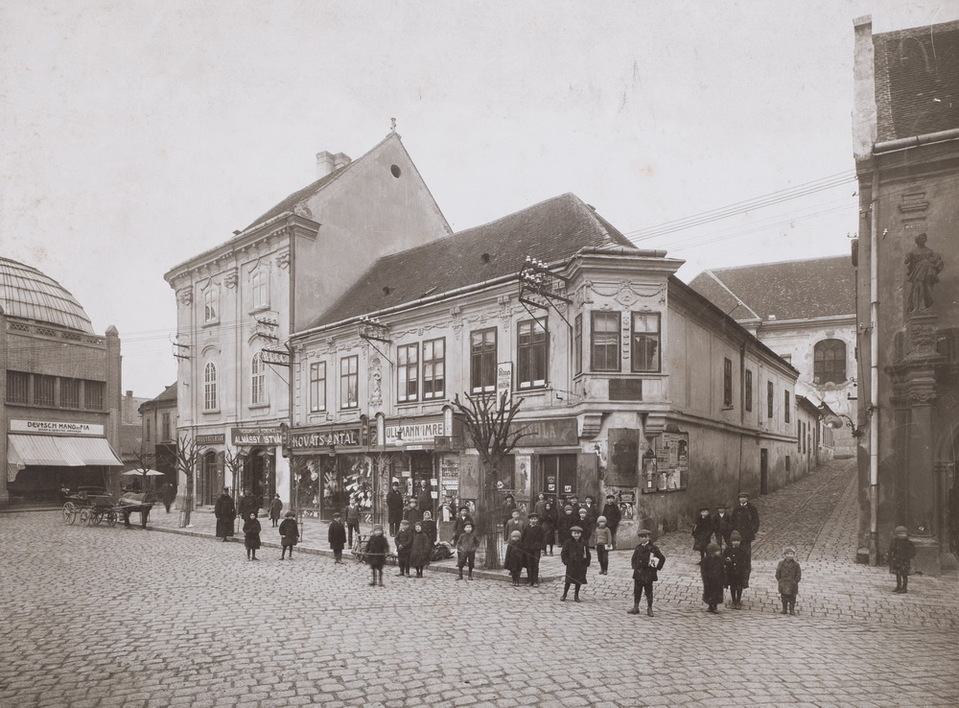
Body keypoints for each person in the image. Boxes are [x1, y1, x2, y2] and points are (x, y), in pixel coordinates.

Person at [628, 529, 666, 617]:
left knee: (648, 591)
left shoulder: (653, 548)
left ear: (648, 537)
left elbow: (662, 558)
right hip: (638, 573)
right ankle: (636, 606)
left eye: (645, 537)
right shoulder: (638, 547)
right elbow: (634, 558)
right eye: (641, 537)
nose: (643, 539)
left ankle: (649, 608)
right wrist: (635, 566)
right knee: (637, 590)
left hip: (648, 574)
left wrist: (656, 566)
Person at [905, 232, 944, 312]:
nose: (924, 240)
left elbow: (937, 259)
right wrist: (907, 259)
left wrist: (937, 261)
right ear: (917, 240)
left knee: (925, 287)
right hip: (918, 270)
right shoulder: (913, 251)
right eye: (922, 238)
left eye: (925, 239)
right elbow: (907, 261)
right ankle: (916, 307)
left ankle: (922, 307)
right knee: (917, 287)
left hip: (927, 271)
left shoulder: (929, 251)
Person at [730, 492, 760, 584]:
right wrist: (733, 532)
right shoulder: (736, 509)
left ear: (747, 499)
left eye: (744, 497)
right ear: (739, 499)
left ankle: (745, 578)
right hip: (737, 536)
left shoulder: (752, 509)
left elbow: (756, 521)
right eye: (741, 498)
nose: (742, 499)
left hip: (747, 537)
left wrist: (752, 531)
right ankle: (736, 574)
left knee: (746, 556)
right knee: (736, 554)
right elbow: (732, 521)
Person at [560, 525, 591, 602]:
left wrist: (587, 562)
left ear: (580, 534)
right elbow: (564, 553)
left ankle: (576, 595)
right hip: (571, 564)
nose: (576, 535)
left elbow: (587, 553)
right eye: (574, 533)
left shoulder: (583, 542)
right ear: (571, 534)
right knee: (568, 580)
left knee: (578, 580)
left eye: (578, 533)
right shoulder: (568, 542)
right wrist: (566, 561)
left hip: (581, 564)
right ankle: (564, 594)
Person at [723, 530, 749, 609]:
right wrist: (726, 560)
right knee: (733, 586)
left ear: (740, 541)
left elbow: (745, 561)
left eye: (737, 541)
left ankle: (738, 600)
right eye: (734, 541)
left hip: (740, 572)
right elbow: (723, 558)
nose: (736, 542)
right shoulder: (728, 550)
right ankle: (733, 600)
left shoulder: (743, 551)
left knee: (739, 586)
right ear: (731, 541)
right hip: (731, 572)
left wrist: (744, 569)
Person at [888, 526, 916, 594]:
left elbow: (913, 552)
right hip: (897, 560)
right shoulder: (895, 541)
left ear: (906, 534)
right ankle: (898, 586)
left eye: (903, 534)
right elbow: (891, 549)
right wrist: (890, 556)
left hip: (904, 561)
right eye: (900, 534)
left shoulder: (908, 542)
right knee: (897, 574)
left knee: (904, 574)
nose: (902, 535)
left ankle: (904, 588)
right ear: (897, 534)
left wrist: (908, 557)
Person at [521, 513, 546, 587]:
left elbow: (543, 539)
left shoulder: (540, 528)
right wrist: (523, 547)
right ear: (529, 520)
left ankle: (535, 581)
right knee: (529, 564)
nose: (533, 520)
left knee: (535, 564)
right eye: (532, 519)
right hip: (528, 549)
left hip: (536, 549)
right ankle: (529, 580)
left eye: (535, 519)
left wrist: (542, 548)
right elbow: (523, 538)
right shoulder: (526, 528)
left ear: (537, 520)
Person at [776, 547, 802, 615]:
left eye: (791, 554)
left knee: (792, 598)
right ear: (784, 555)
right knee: (783, 597)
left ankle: (792, 609)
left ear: (794, 555)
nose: (790, 555)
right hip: (783, 583)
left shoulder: (796, 564)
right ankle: (784, 609)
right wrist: (780, 580)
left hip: (792, 583)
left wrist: (795, 581)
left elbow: (798, 574)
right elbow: (778, 572)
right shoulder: (781, 563)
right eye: (788, 554)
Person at [701, 542, 725, 613]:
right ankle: (710, 606)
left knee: (716, 593)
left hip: (718, 580)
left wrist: (723, 579)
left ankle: (715, 606)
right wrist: (705, 580)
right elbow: (703, 571)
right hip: (709, 580)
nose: (719, 552)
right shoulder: (706, 560)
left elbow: (722, 570)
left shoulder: (720, 560)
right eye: (717, 551)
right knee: (709, 593)